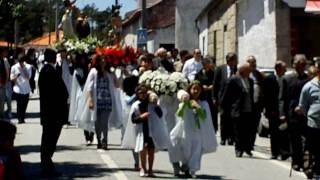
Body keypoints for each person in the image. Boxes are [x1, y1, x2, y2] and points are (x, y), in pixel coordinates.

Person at [170, 82, 217, 178]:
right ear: (189, 90)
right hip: (185, 130)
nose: (195, 91)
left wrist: (198, 107)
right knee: (181, 148)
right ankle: (180, 166)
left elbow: (204, 116)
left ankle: (192, 169)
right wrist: (184, 104)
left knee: (196, 151)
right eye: (193, 89)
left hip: (197, 131)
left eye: (198, 89)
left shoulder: (203, 103)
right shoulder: (184, 102)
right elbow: (179, 114)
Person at [123, 85, 170, 177]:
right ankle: (143, 167)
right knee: (143, 150)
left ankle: (150, 169)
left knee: (151, 151)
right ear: (137, 94)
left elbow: (160, 115)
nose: (143, 95)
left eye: (145, 93)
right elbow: (133, 120)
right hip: (142, 131)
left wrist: (156, 105)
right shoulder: (136, 105)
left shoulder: (152, 104)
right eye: (141, 93)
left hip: (152, 131)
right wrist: (141, 117)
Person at [79, 54, 122, 150]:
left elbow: (117, 85)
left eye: (104, 60)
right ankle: (98, 139)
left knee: (104, 123)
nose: (103, 62)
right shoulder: (93, 72)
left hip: (107, 100)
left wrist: (114, 73)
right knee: (97, 123)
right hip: (96, 100)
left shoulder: (109, 73)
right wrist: (90, 100)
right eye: (101, 60)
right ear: (97, 62)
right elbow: (89, 87)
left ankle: (105, 141)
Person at [38, 48, 69, 177]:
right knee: (49, 140)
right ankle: (46, 167)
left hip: (51, 113)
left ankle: (47, 165)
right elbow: (54, 93)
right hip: (53, 114)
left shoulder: (48, 70)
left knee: (48, 140)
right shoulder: (49, 71)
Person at [221, 63, 255, 157]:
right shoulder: (233, 80)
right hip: (238, 110)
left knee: (247, 131)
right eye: (248, 71)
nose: (250, 72)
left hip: (249, 110)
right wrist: (225, 108)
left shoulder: (250, 81)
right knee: (238, 131)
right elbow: (226, 95)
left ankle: (247, 148)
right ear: (242, 71)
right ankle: (239, 149)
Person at [283, 54, 309, 170]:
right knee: (294, 139)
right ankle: (296, 161)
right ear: (294, 65)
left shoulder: (308, 79)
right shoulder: (287, 79)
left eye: (304, 64)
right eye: (300, 64)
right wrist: (283, 114)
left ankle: (305, 161)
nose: (302, 66)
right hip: (292, 114)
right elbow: (283, 98)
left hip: (305, 113)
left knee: (305, 139)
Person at [297, 59, 320, 179]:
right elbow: (302, 107)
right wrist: (311, 116)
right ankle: (313, 170)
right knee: (314, 149)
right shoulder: (308, 87)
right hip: (313, 124)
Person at [263, 61, 290, 160]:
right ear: (278, 68)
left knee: (283, 132)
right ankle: (274, 152)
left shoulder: (286, 79)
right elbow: (266, 97)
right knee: (273, 132)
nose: (286, 70)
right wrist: (269, 110)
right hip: (273, 110)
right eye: (284, 68)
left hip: (283, 110)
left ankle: (283, 152)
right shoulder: (269, 79)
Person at [68, 53, 93, 145]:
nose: (83, 61)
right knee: (84, 116)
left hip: (91, 94)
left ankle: (92, 133)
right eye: (81, 59)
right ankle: (87, 135)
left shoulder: (90, 69)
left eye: (84, 59)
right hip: (81, 95)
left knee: (91, 115)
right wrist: (88, 73)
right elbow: (82, 82)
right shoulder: (77, 71)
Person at [213, 52, 238, 145]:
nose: (235, 61)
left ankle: (231, 138)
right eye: (233, 59)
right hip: (222, 98)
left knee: (232, 119)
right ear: (228, 60)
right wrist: (214, 97)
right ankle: (223, 138)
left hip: (234, 98)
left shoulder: (237, 70)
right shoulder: (220, 69)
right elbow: (215, 84)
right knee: (224, 118)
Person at [195, 57, 217, 131]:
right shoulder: (198, 74)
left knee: (212, 112)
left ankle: (213, 128)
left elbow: (217, 82)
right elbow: (195, 83)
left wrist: (212, 86)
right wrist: (201, 86)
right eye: (204, 64)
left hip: (211, 95)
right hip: (202, 95)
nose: (205, 65)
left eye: (207, 64)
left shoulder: (214, 73)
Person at [247, 56, 264, 148]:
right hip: (246, 104)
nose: (253, 64)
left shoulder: (259, 75)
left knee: (254, 125)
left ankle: (251, 143)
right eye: (251, 62)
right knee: (246, 125)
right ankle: (244, 143)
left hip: (257, 104)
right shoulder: (243, 73)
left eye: (254, 62)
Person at [10, 53, 32, 124]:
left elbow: (28, 77)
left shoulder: (28, 67)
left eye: (22, 61)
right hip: (18, 89)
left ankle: (22, 117)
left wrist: (24, 69)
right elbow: (12, 78)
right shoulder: (14, 67)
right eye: (20, 62)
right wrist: (17, 76)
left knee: (25, 104)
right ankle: (19, 119)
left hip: (26, 89)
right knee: (19, 104)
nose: (21, 63)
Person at [0, 49, 10, 121]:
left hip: (3, 84)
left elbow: (7, 72)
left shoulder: (4, 60)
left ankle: (1, 114)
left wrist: (6, 82)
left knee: (2, 101)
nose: (5, 53)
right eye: (4, 51)